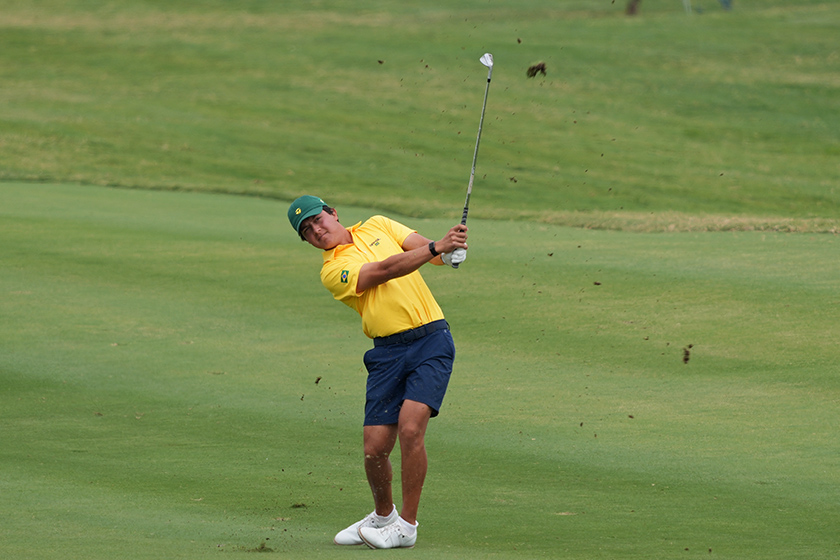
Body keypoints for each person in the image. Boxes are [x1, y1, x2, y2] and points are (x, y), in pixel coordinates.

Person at [287, 195, 468, 549]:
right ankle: (383, 516)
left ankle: (407, 527)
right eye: (306, 230)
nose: (316, 230)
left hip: (431, 340)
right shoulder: (332, 271)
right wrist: (437, 247)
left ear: (333, 213)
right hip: (386, 354)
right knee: (374, 448)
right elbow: (385, 270)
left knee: (411, 428)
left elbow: (424, 249)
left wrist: (447, 253)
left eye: (317, 219)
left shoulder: (378, 224)